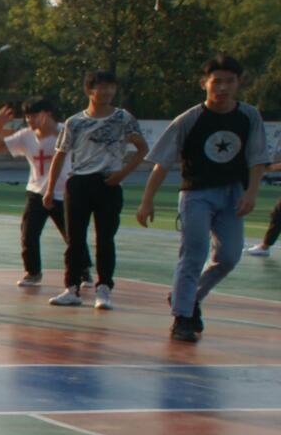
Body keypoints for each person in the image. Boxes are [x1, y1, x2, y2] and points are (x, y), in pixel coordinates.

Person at [136, 55, 271, 343]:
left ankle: (187, 296)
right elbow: (162, 163)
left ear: (238, 84)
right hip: (196, 194)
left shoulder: (249, 117)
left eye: (229, 82)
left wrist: (251, 193)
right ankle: (182, 318)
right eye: (216, 81)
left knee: (229, 256)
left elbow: (258, 158)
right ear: (204, 84)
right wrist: (147, 200)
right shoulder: (190, 119)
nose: (222, 88)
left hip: (233, 193)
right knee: (193, 254)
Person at [44, 70, 146, 310]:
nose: (108, 92)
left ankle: (104, 288)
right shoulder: (75, 122)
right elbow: (59, 156)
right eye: (102, 87)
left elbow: (142, 148)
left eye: (111, 87)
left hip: (108, 184)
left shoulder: (123, 118)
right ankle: (71, 288)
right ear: (89, 90)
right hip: (79, 183)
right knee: (75, 239)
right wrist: (50, 189)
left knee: (105, 238)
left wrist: (122, 173)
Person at [0, 99, 64, 286]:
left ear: (46, 114)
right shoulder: (26, 136)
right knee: (28, 233)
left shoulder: (64, 131)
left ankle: (83, 270)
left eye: (34, 115)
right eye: (27, 116)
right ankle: (33, 272)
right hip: (36, 191)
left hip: (63, 192)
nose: (30, 119)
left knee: (72, 235)